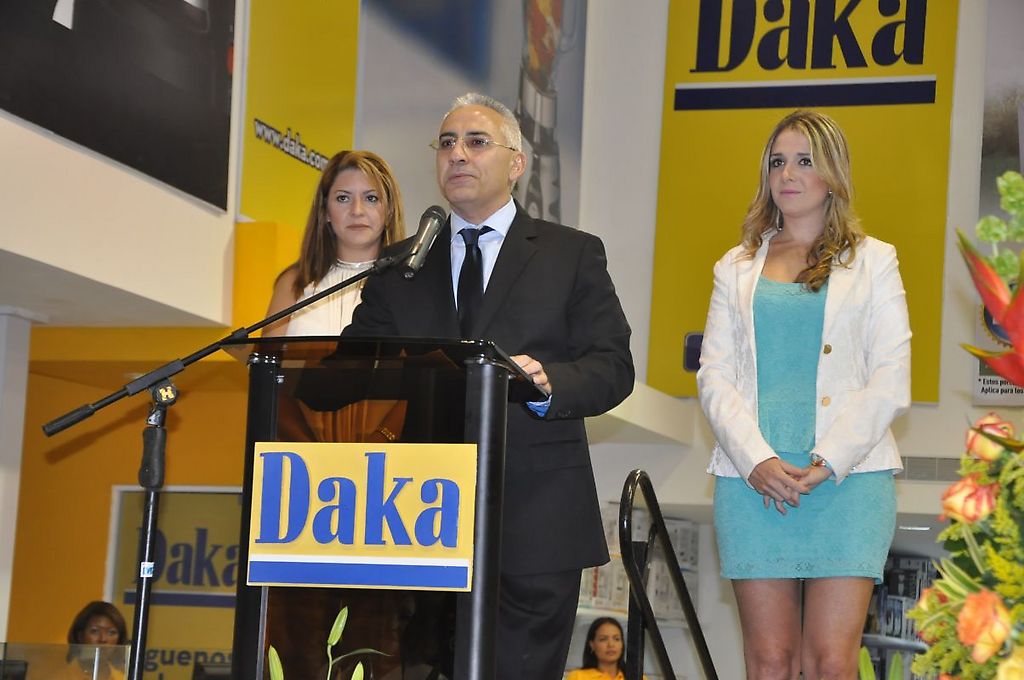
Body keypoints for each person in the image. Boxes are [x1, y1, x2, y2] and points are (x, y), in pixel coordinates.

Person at [344, 92, 634, 679]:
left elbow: (612, 366)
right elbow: (351, 366)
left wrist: (549, 381)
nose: (457, 154)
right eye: (446, 143)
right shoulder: (402, 264)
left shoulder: (571, 254)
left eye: (476, 142)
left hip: (537, 518)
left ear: (516, 163)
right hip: (419, 517)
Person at [696, 110, 911, 679]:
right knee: (769, 661)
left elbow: (891, 376)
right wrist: (756, 460)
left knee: (831, 663)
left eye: (804, 161)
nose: (787, 174)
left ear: (833, 174)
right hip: (753, 481)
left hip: (847, 479)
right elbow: (714, 375)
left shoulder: (875, 260)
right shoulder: (734, 267)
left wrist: (829, 460)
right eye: (777, 162)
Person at [263, 149, 405, 337]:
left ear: (389, 211)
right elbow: (268, 355)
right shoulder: (294, 281)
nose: (357, 211)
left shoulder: (408, 285)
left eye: (371, 198)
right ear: (325, 212)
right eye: (343, 198)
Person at [66, 601, 128, 679]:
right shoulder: (63, 676)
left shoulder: (122, 678)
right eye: (95, 631)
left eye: (111, 632)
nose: (103, 639)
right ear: (80, 636)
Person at [566, 617, 634, 680]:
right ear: (592, 645)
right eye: (603, 639)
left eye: (616, 639)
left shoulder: (635, 676)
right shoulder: (578, 677)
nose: (611, 644)